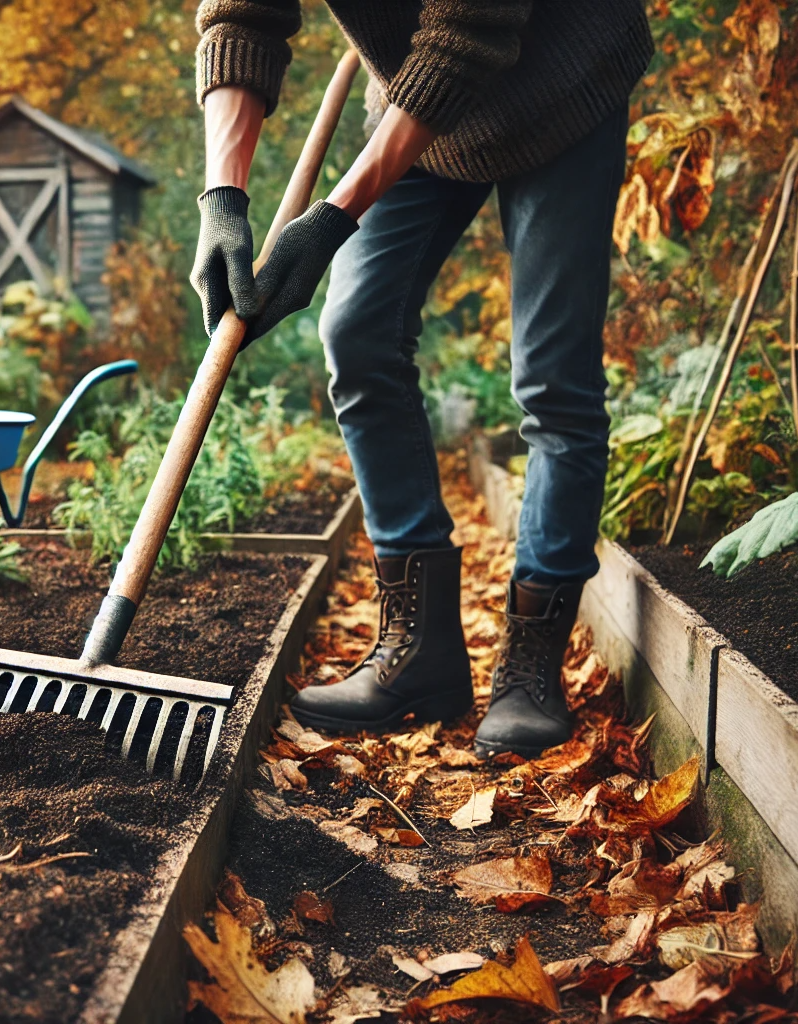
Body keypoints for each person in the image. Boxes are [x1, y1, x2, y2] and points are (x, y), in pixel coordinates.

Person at [191, 1, 652, 757]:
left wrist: (336, 215)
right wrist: (223, 202)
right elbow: (241, 16)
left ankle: (531, 665)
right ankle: (422, 653)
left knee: (552, 374)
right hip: (419, 101)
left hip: (560, 81)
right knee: (356, 330)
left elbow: (469, 32)